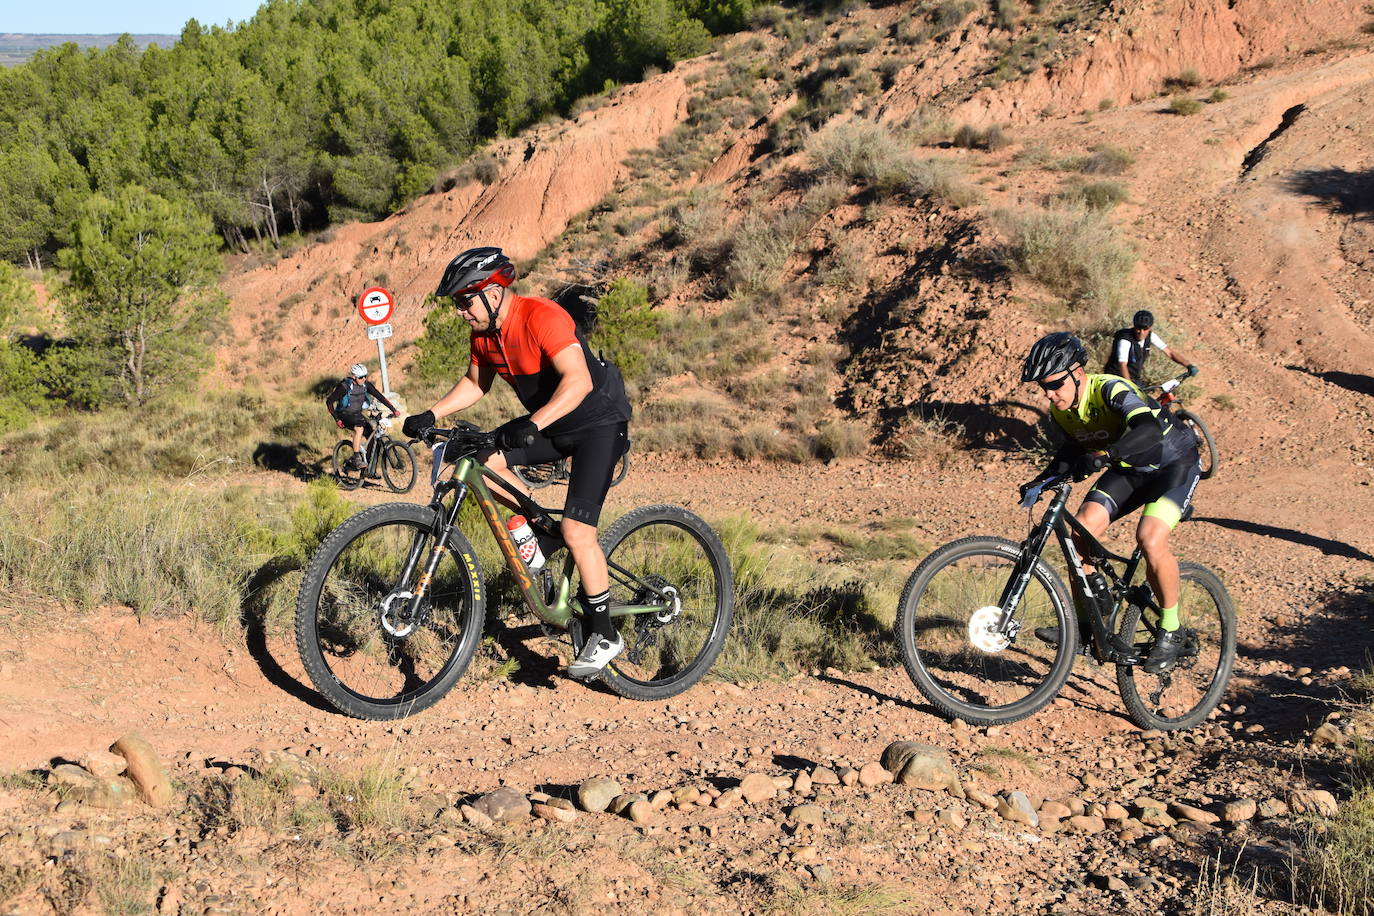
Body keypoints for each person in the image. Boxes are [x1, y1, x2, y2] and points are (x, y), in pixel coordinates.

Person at [403, 247, 632, 679]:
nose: (460, 312)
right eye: (456, 303)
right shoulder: (485, 334)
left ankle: (604, 633)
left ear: (492, 292)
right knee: (482, 463)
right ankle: (542, 537)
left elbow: (578, 381)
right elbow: (475, 383)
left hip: (598, 423)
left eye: (464, 301)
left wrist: (532, 423)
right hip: (554, 424)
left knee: (578, 531)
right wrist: (432, 415)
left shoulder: (541, 316)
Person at [1020, 332, 1202, 673]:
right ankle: (1086, 625)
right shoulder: (1062, 409)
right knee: (1080, 533)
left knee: (1150, 538)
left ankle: (1173, 627)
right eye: (1043, 387)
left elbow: (1147, 429)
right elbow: (1071, 451)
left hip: (1173, 462)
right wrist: (1041, 480)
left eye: (1055, 383)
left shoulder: (1110, 389)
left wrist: (1106, 454)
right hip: (1129, 469)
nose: (1049, 393)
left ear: (1077, 373)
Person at [326, 363, 399, 470]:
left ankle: (370, 469)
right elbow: (329, 402)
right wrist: (337, 419)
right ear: (354, 377)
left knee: (373, 438)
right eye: (361, 377)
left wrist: (393, 409)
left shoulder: (366, 385)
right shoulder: (344, 387)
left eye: (365, 376)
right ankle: (356, 458)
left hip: (357, 415)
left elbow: (380, 396)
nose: (364, 379)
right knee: (359, 428)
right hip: (344, 415)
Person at [1104, 309, 1196, 384]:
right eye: (1138, 328)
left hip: (1133, 379)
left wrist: (1188, 365)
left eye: (1145, 329)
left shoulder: (1150, 336)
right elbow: (1122, 364)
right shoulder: (1125, 339)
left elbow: (1170, 353)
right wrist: (1129, 386)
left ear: (1150, 328)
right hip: (1115, 379)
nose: (1141, 332)